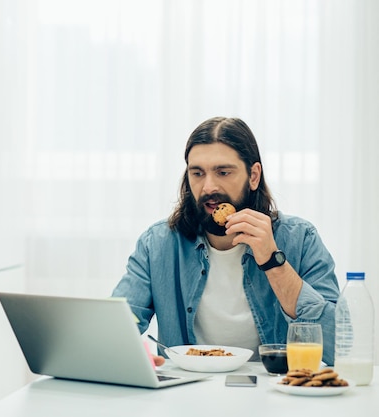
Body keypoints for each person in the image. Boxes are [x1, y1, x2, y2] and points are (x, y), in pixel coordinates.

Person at [111, 116, 340, 366]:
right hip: (185, 392)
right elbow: (115, 326)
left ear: (253, 176)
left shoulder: (300, 239)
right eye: (197, 173)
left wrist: (273, 262)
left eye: (223, 172)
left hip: (275, 393)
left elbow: (338, 347)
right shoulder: (157, 244)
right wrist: (134, 354)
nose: (209, 187)